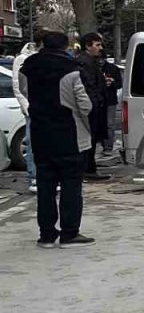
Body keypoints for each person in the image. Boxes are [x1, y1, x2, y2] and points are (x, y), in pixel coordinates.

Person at [22, 31, 94, 249]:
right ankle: (69, 233)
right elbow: (85, 105)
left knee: (46, 186)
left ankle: (46, 234)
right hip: (69, 134)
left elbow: (26, 92)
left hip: (41, 133)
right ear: (65, 47)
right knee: (71, 184)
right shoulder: (71, 69)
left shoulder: (28, 68)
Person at [12, 32, 44, 193]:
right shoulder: (22, 59)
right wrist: (27, 108)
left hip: (45, 107)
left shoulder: (44, 58)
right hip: (32, 108)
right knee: (32, 143)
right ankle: (34, 177)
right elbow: (18, 87)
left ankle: (46, 177)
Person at [76, 33, 110, 181]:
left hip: (95, 104)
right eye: (97, 45)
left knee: (93, 138)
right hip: (91, 107)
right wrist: (96, 101)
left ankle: (89, 167)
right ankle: (87, 169)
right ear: (88, 46)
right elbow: (88, 85)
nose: (100, 48)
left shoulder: (91, 61)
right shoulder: (84, 62)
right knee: (89, 138)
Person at [101, 57, 122, 158]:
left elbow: (119, 84)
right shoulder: (93, 68)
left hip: (110, 100)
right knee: (101, 124)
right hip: (98, 100)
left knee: (109, 124)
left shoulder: (113, 69)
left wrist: (112, 83)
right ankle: (103, 145)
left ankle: (108, 146)